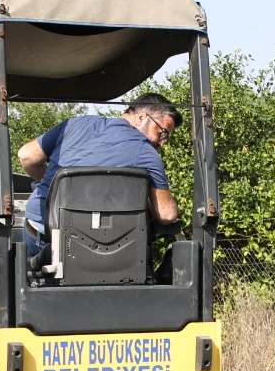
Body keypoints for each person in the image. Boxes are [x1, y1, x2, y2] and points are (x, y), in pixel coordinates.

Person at [17, 93, 182, 259]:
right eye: (162, 133)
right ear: (141, 117)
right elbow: (167, 214)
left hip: (45, 236)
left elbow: (26, 156)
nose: (162, 143)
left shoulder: (73, 124)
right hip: (103, 248)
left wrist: (55, 186)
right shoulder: (146, 152)